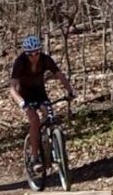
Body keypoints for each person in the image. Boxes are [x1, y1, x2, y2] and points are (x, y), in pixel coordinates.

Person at [8, 34, 71, 180]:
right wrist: (21, 102)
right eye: (31, 54)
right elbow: (12, 88)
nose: (35, 56)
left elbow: (59, 74)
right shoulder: (20, 62)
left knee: (49, 115)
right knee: (34, 120)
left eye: (37, 52)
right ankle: (35, 157)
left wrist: (70, 90)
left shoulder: (45, 59)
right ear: (26, 53)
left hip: (40, 92)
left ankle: (53, 144)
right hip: (25, 95)